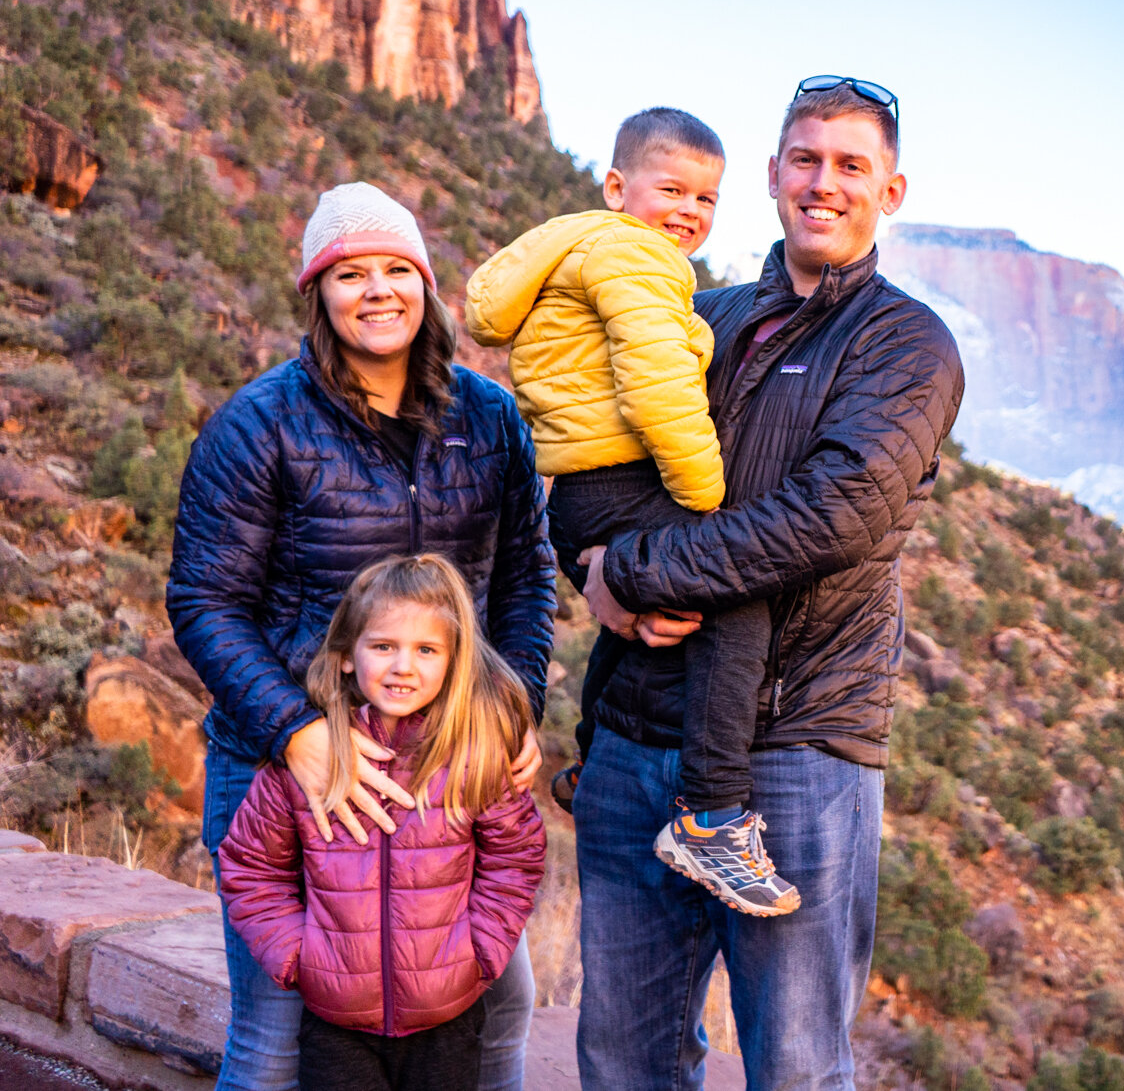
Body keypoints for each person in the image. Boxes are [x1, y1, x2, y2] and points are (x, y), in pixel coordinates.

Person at [573, 77, 965, 1089]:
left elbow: (830, 515)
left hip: (798, 753)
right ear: (772, 175)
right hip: (637, 736)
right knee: (623, 1056)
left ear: (892, 189)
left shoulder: (904, 344)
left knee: (792, 1063)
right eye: (805, 160)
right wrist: (586, 564)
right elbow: (585, 452)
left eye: (849, 166)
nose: (822, 184)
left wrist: (634, 567)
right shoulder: (694, 319)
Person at [168, 182, 555, 1091]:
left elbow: (527, 579)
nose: (377, 290)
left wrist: (513, 706)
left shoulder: (488, 418)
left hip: (443, 758)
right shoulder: (261, 423)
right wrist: (297, 736)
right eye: (350, 273)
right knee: (271, 1037)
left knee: (498, 1007)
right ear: (318, 293)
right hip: (293, 760)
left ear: (426, 284)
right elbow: (204, 601)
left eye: (396, 269)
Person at [465, 107, 796, 917]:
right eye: (672, 188)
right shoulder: (638, 258)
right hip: (619, 475)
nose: (689, 211)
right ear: (619, 186)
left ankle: (584, 759)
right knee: (735, 591)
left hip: (579, 487)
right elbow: (658, 385)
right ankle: (713, 815)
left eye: (707, 199)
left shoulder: (582, 246)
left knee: (636, 613)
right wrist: (706, 497)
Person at [216, 554, 548, 1091]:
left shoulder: (474, 752)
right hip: (336, 1021)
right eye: (384, 647)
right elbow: (251, 866)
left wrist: (481, 953)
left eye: (426, 650)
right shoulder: (309, 758)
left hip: (448, 1015)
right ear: (347, 656)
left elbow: (516, 858)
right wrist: (299, 957)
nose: (403, 667)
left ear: (453, 661)